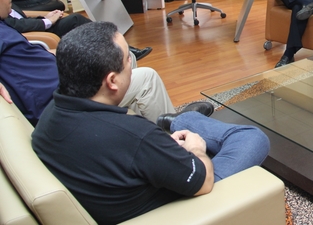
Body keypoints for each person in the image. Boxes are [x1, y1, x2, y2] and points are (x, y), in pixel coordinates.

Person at [31, 21, 270, 224]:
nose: (131, 63)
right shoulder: (135, 136)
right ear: (112, 81)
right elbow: (203, 182)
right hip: (173, 208)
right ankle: (184, 119)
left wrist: (161, 148)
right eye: (128, 58)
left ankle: (182, 120)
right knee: (251, 137)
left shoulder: (52, 112)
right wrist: (196, 151)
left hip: (122, 191)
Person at [0, 0, 172, 124]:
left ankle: (131, 127)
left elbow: (26, 55)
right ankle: (173, 138)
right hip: (65, 100)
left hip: (65, 82)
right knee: (147, 78)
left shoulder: (4, 25)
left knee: (127, 59)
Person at [4, 1, 152, 60]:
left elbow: (22, 17)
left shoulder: (6, 1)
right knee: (77, 20)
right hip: (39, 32)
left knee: (84, 26)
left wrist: (45, 16)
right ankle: (122, 48)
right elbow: (18, 25)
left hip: (39, 24)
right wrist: (48, 21)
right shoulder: (2, 13)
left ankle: (122, 48)